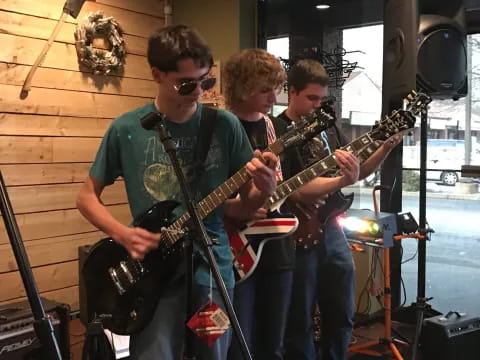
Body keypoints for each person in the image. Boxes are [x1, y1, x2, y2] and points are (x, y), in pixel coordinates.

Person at [76, 25, 279, 360]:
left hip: (212, 272)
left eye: (207, 81)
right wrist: (124, 235)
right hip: (153, 274)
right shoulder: (128, 129)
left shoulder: (225, 126)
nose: (199, 90)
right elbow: (86, 197)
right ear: (157, 74)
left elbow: (247, 204)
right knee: (157, 354)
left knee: (213, 354)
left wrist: (263, 189)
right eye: (188, 83)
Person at [279, 59, 402, 360]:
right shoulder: (277, 131)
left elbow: (355, 173)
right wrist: (338, 182)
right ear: (291, 92)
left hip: (332, 227)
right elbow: (289, 190)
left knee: (342, 313)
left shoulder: (328, 127)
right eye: (311, 98)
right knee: (300, 317)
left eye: (321, 99)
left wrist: (384, 148)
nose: (317, 105)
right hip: (297, 231)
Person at [222, 48, 296, 360]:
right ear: (241, 86)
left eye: (276, 88)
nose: (273, 97)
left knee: (273, 344)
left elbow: (283, 184)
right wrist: (236, 206)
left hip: (276, 246)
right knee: (239, 345)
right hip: (232, 247)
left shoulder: (272, 127)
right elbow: (199, 195)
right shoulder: (218, 126)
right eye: (264, 89)